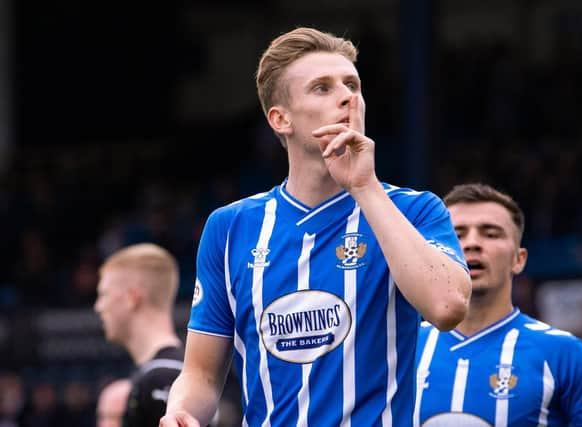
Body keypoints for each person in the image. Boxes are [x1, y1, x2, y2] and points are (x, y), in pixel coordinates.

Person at [160, 26, 471, 427]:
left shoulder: (414, 210)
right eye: (322, 88)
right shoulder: (229, 227)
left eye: (352, 85)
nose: (347, 96)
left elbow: (448, 307)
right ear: (280, 119)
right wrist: (181, 412)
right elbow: (201, 373)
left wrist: (364, 186)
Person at [414, 183, 582, 427]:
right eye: (457, 234)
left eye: (491, 233)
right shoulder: (401, 349)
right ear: (435, 251)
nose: (472, 243)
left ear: (519, 260)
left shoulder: (562, 353)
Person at [94, 243, 185, 427]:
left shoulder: (163, 376)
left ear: (131, 298)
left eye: (104, 294)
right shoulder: (167, 372)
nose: (98, 306)